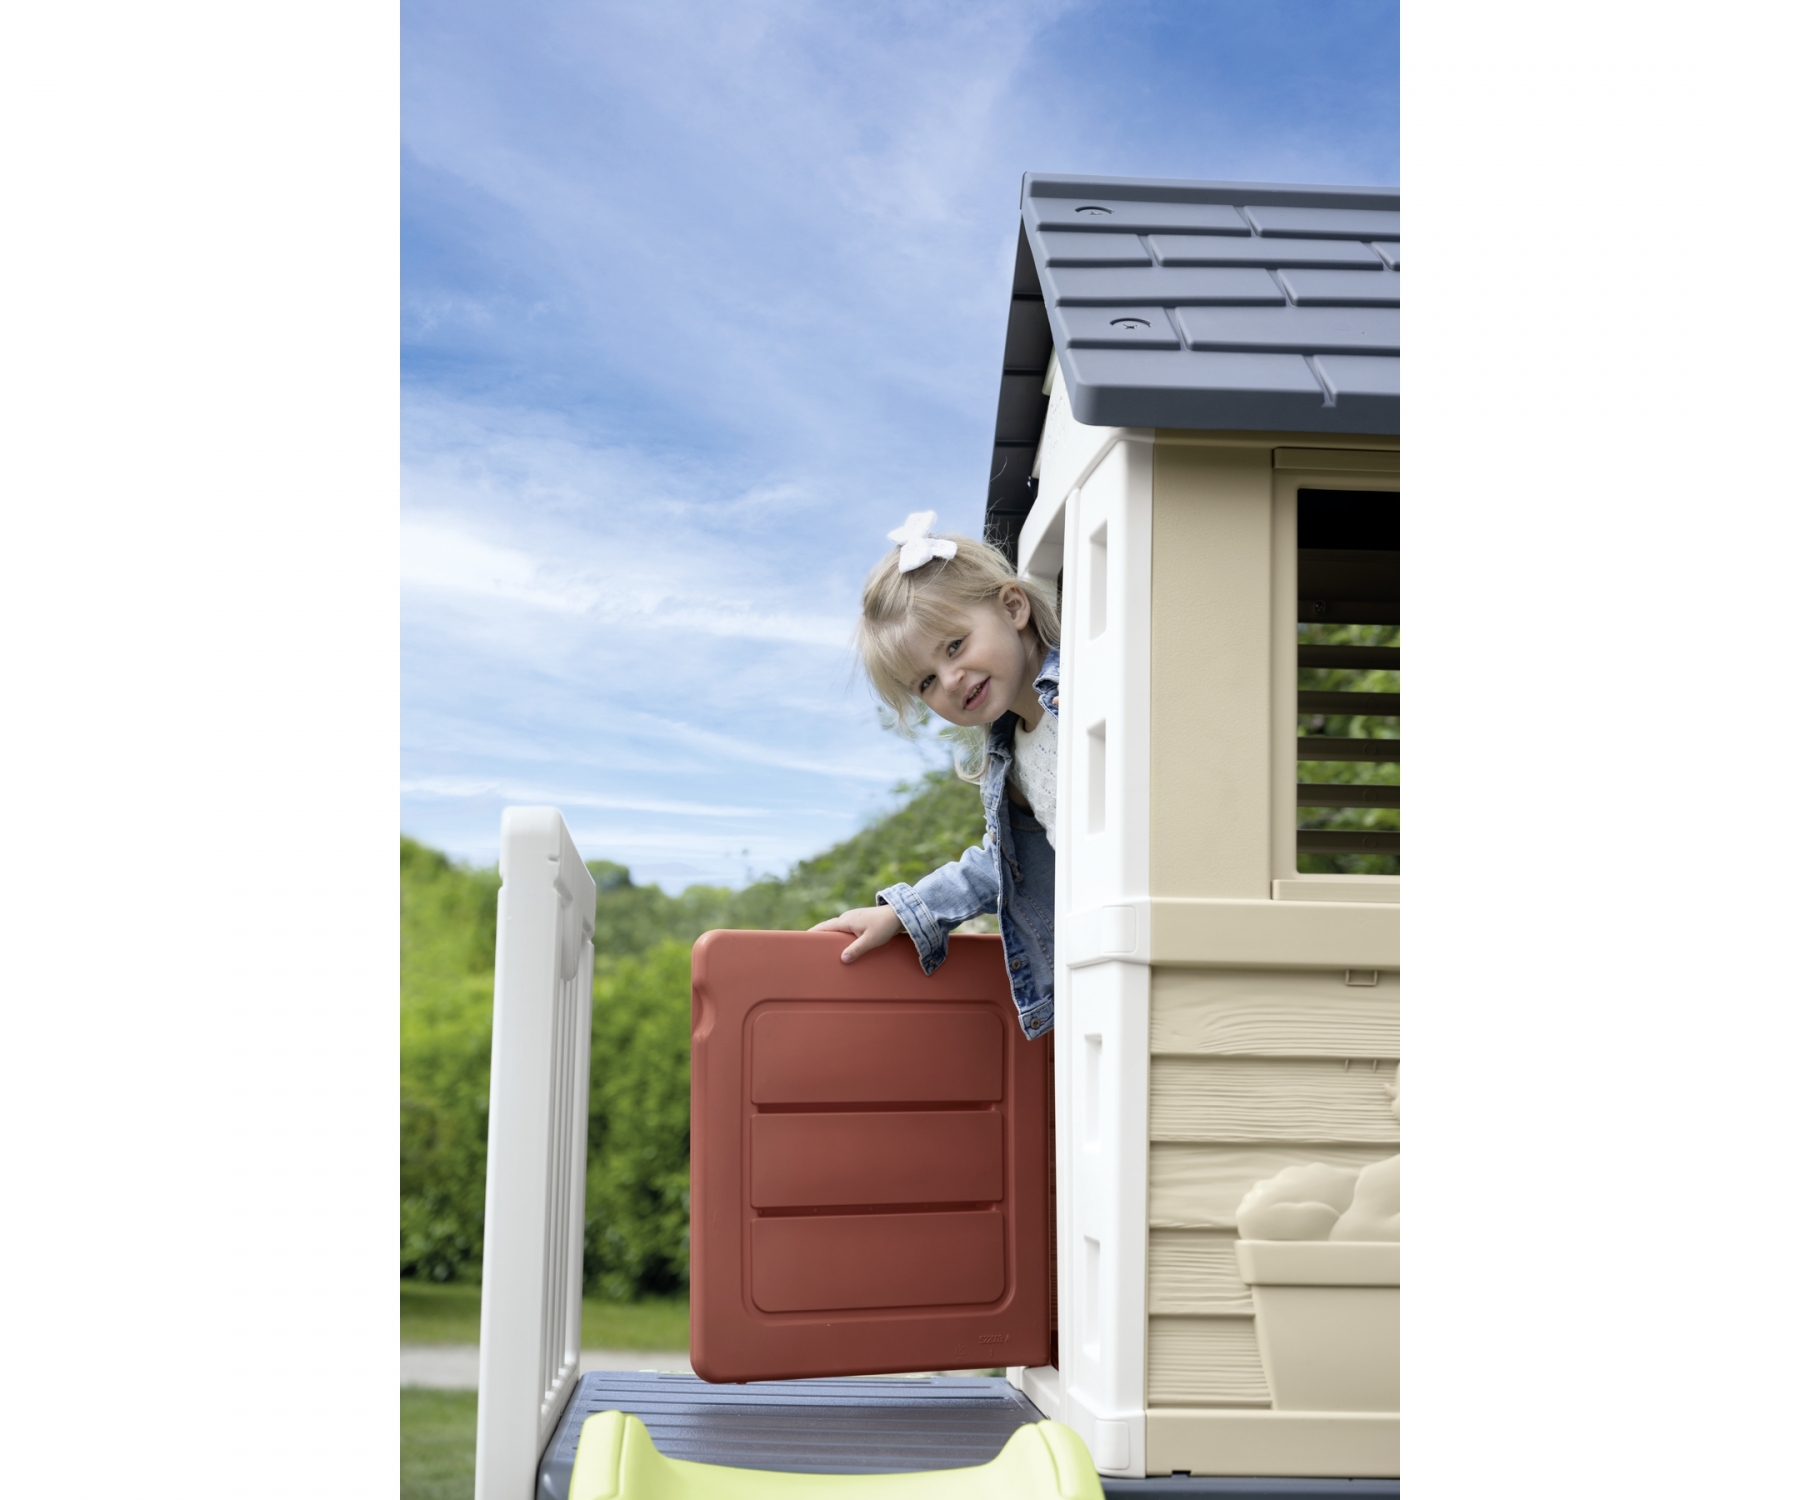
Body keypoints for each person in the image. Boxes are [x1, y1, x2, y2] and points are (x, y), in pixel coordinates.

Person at [811, 511, 1059, 1039]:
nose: (949, 680)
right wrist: (906, 912)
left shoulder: (1087, 693)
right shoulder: (1011, 760)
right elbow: (1002, 863)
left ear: (1013, 606)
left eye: (954, 646)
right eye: (925, 681)